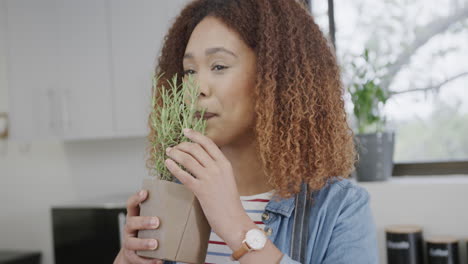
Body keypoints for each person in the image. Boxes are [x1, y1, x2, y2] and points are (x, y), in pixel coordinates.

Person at [114, 0, 379, 263]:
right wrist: (127, 259)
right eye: (189, 71)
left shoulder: (340, 207)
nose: (196, 89)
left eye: (219, 66)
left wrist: (235, 226)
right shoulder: (175, 193)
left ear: (275, 76)